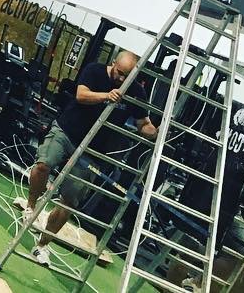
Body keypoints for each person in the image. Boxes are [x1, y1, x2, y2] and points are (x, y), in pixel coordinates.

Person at [25, 51, 156, 267]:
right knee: (43, 164)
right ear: (113, 63)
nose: (122, 79)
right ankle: (30, 207)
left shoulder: (136, 91)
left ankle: (42, 245)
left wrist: (156, 132)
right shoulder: (94, 70)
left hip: (94, 150)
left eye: (127, 76)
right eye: (119, 73)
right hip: (67, 131)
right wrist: (106, 95)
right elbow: (81, 95)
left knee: (70, 200)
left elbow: (143, 124)